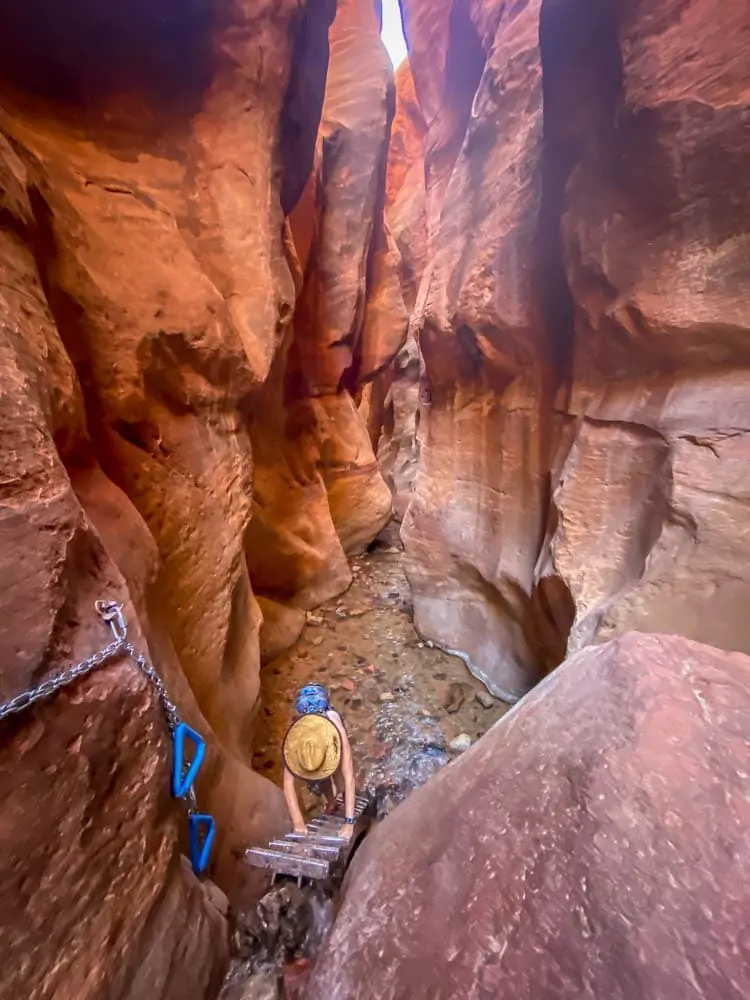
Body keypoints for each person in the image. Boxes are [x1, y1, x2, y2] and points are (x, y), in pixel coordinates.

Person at [282, 684, 356, 841]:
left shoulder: (337, 734)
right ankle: (331, 801)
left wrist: (349, 822)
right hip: (308, 720)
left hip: (328, 723)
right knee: (317, 770)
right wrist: (298, 823)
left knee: (338, 779)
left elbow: (349, 776)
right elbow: (288, 784)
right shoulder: (294, 742)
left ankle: (338, 799)